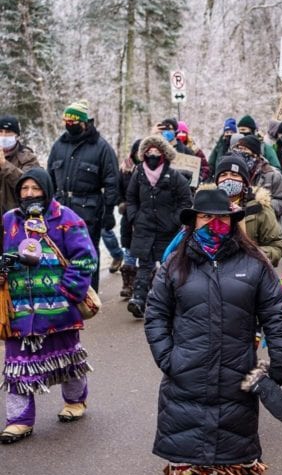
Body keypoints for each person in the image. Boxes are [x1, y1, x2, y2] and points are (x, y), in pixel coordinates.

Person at [144, 186, 282, 475]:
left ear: (233, 222)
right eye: (206, 217)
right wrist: (168, 358)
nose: (214, 223)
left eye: (221, 218)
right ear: (194, 222)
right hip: (185, 380)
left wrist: (280, 359)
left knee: (236, 456)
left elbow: (275, 314)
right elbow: (155, 314)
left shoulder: (254, 263)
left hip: (237, 380)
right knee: (189, 463)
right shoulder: (175, 264)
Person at [0, 168, 97, 444]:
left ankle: (75, 401)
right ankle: (19, 421)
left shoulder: (66, 218)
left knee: (69, 358)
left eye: (35, 188)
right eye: (24, 189)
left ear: (47, 190)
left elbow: (85, 258)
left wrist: (68, 293)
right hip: (18, 311)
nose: (29, 194)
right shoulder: (9, 220)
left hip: (59, 309)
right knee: (17, 366)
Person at [47, 100, 119, 292]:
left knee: (87, 253)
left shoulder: (101, 147)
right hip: (61, 208)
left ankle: (89, 293)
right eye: (66, 121)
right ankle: (63, 292)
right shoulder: (59, 145)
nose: (68, 125)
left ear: (84, 122)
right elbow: (50, 178)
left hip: (88, 211)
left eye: (72, 121)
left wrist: (109, 211)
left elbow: (112, 181)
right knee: (60, 252)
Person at [124, 135, 192, 318]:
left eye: (156, 151)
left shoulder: (174, 176)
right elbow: (131, 198)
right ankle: (138, 299)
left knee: (169, 265)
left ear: (163, 154)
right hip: (144, 227)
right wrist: (135, 217)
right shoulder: (138, 174)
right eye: (149, 151)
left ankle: (169, 301)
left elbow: (185, 201)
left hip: (166, 229)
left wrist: (175, 220)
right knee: (144, 265)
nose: (152, 155)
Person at [215, 155, 282, 266]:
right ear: (217, 181)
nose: (228, 179)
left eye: (234, 175)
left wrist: (252, 256)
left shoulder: (259, 207)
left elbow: (276, 247)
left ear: (244, 182)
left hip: (247, 271)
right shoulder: (205, 207)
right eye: (223, 175)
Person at [232, 135, 282, 220]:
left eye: (244, 149)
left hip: (266, 224)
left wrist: (261, 205)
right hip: (239, 222)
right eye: (239, 149)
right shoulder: (233, 173)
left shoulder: (272, 174)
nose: (241, 153)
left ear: (255, 154)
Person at [0, 115, 41, 215]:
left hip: (15, 215)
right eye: (0, 132)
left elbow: (26, 183)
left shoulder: (28, 158)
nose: (3, 136)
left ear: (16, 135)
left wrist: (4, 164)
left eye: (8, 132)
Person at [117, 139, 142, 299]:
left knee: (146, 251)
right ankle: (128, 284)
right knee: (129, 249)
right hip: (128, 215)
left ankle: (145, 284)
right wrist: (121, 203)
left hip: (145, 214)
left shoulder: (150, 169)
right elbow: (118, 189)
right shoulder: (125, 168)